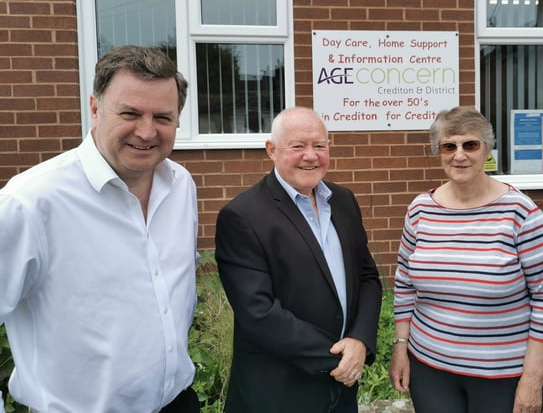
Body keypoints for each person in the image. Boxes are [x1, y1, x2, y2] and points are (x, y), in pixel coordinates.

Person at [0, 45, 200, 412]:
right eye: (130, 113)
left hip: (178, 404)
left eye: (163, 117)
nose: (146, 131)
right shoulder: (30, 202)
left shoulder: (181, 185)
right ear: (94, 108)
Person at [389, 106, 543, 413]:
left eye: (470, 144)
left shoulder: (520, 213)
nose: (459, 155)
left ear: (487, 149)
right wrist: (401, 347)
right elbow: (404, 283)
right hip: (430, 368)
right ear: (438, 151)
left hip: (503, 374)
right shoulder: (419, 211)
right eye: (449, 146)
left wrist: (533, 380)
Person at [215, 106, 383, 413]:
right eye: (298, 146)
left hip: (342, 392)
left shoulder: (343, 201)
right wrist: (338, 359)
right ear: (272, 150)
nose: (311, 156)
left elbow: (367, 277)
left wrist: (359, 340)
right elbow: (258, 312)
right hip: (279, 393)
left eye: (320, 145)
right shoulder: (242, 216)